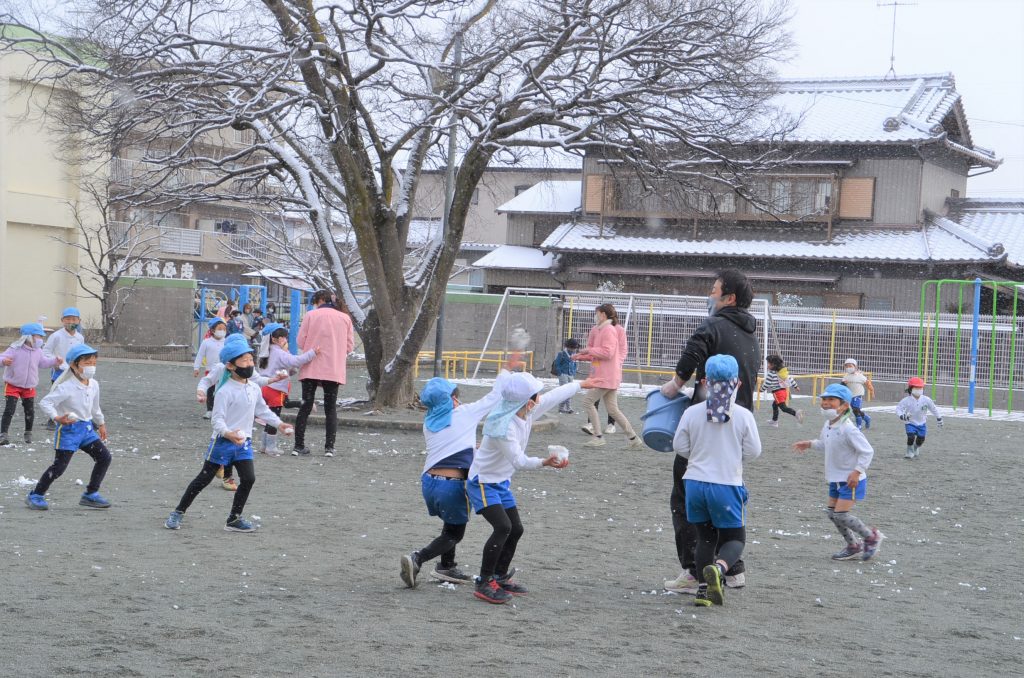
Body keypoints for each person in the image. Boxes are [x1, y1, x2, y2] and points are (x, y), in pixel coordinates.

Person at [660, 270, 759, 593]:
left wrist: (676, 383)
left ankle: (694, 571)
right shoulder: (750, 335)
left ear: (728, 298)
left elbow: (694, 349)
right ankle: (731, 568)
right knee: (726, 501)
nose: (710, 295)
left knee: (687, 501)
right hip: (736, 430)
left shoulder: (714, 325)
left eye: (714, 290)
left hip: (705, 427)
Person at [468, 371, 587, 604]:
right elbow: (519, 461)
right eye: (537, 395)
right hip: (482, 482)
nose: (541, 398)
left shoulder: (525, 412)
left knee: (516, 529)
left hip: (500, 483)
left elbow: (553, 396)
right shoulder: (504, 426)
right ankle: (484, 581)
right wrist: (545, 462)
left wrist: (581, 383)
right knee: (502, 527)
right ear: (528, 401)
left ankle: (500, 576)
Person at [165, 337, 294, 532]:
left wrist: (279, 423)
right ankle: (178, 512)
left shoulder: (253, 387)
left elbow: (262, 410)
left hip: (243, 443)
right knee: (203, 480)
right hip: (223, 443)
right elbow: (216, 421)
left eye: (251, 360)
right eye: (244, 361)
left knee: (249, 479)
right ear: (230, 366)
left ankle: (234, 519)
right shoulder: (225, 391)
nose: (250, 364)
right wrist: (228, 433)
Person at [399, 375, 506, 588]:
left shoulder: (429, 422)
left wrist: (470, 448)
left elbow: (450, 444)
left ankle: (446, 567)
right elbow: (493, 398)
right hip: (451, 485)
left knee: (450, 522)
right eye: (456, 396)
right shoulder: (463, 414)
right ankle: (417, 558)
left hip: (430, 483)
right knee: (454, 533)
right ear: (451, 400)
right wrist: (506, 373)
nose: (460, 400)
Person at [672, 355, 761, 607]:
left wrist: (699, 456)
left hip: (694, 484)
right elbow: (754, 451)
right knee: (735, 539)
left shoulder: (692, 412)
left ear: (704, 382)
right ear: (738, 384)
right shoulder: (742, 415)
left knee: (705, 539)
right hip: (726, 483)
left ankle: (704, 590)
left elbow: (679, 445)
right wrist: (732, 457)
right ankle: (720, 570)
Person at [792, 383, 884, 561]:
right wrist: (810, 444)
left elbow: (867, 451)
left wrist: (857, 472)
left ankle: (871, 537)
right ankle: (853, 545)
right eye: (824, 399)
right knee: (831, 514)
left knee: (840, 514)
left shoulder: (848, 428)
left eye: (831, 400)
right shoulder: (828, 424)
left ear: (844, 406)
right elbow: (825, 444)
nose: (825, 403)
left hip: (851, 480)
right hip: (835, 479)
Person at [26, 344, 112, 510]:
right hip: (69, 431)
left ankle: (90, 494)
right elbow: (46, 402)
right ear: (74, 364)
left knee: (104, 457)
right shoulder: (66, 387)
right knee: (59, 467)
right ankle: (36, 495)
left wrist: (101, 424)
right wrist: (57, 417)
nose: (91, 367)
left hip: (87, 430)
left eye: (94, 363)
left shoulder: (94, 384)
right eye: (87, 363)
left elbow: (95, 408)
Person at [293, 289, 355, 457]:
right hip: (333, 368)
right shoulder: (345, 318)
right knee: (330, 408)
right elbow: (349, 347)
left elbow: (300, 341)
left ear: (320, 300)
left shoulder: (310, 316)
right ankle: (329, 447)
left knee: (305, 406)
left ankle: (298, 445)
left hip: (311, 366)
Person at [573, 303, 641, 449]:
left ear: (603, 314)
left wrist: (588, 350)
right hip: (609, 375)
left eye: (597, 313)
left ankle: (598, 436)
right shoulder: (604, 329)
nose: (595, 316)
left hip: (605, 376)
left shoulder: (608, 330)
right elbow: (599, 354)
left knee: (587, 402)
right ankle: (633, 438)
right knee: (613, 410)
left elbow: (607, 353)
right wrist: (580, 356)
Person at [256, 323, 318, 456]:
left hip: (265, 388)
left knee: (269, 418)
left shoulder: (265, 352)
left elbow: (288, 368)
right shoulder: (279, 353)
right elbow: (295, 361)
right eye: (282, 337)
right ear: (274, 339)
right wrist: (312, 353)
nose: (285, 340)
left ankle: (264, 445)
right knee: (274, 419)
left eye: (285, 337)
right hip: (276, 390)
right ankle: (271, 447)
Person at [1, 323, 59, 445]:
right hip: (13, 384)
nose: (40, 339)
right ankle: (3, 434)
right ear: (27, 337)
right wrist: (3, 361)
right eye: (38, 336)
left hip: (29, 386)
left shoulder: (38, 351)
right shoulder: (14, 349)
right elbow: (2, 357)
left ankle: (28, 433)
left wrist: (54, 361)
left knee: (30, 411)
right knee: (9, 409)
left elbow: (43, 363)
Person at [896, 376, 942, 459]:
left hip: (922, 423)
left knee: (921, 439)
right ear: (911, 389)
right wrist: (901, 415)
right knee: (910, 437)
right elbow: (899, 408)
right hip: (910, 423)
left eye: (920, 388)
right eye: (916, 388)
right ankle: (909, 451)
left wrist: (939, 418)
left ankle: (915, 447)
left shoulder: (926, 400)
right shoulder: (906, 400)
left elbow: (933, 409)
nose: (918, 389)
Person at [194, 318, 228, 420]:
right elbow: (200, 355)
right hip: (211, 370)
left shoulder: (227, 342)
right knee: (210, 390)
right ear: (213, 330)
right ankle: (210, 410)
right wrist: (196, 367)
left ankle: (222, 411)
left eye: (224, 329)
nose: (222, 331)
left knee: (223, 391)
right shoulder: (206, 342)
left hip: (224, 370)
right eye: (219, 328)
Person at [761, 354, 802, 428]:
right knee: (774, 405)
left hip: (777, 393)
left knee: (783, 408)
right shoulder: (782, 372)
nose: (767, 365)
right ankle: (774, 421)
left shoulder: (771, 374)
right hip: (783, 391)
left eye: (768, 364)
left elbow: (766, 383)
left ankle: (796, 413)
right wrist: (796, 386)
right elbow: (790, 379)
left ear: (773, 365)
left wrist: (761, 389)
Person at [841, 359, 875, 430]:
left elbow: (868, 383)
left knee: (856, 409)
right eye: (846, 366)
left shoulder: (860, 376)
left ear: (855, 366)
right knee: (855, 410)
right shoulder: (846, 376)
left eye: (850, 366)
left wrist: (872, 391)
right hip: (849, 396)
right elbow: (842, 386)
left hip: (858, 395)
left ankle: (859, 425)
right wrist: (844, 384)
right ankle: (866, 418)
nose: (848, 368)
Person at [551, 337, 579, 414]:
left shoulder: (574, 354)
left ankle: (561, 408)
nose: (574, 349)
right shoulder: (562, 354)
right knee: (566, 391)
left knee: (569, 391)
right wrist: (560, 373)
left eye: (574, 348)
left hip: (571, 375)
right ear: (568, 346)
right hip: (563, 374)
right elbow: (557, 364)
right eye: (572, 348)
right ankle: (568, 408)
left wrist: (574, 371)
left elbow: (575, 363)